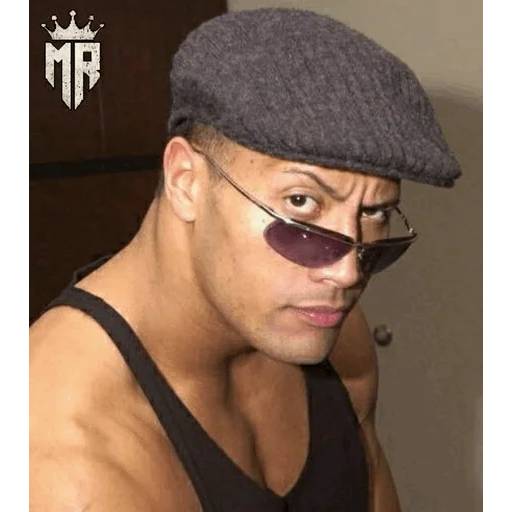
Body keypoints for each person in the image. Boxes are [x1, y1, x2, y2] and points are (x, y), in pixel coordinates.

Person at [29, 8, 461, 512]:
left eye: (375, 213)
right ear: (186, 181)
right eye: (301, 202)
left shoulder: (337, 338)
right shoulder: (65, 455)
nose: (347, 271)